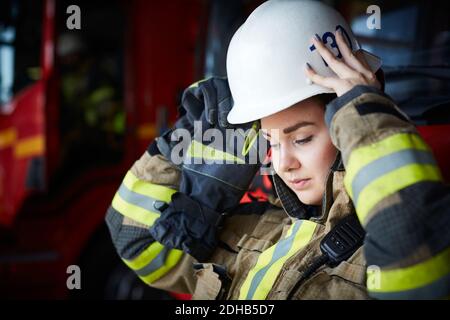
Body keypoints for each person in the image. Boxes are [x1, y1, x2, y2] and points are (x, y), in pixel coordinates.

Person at [105, 1, 449, 299]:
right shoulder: (260, 230)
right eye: (270, 142)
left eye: (301, 139)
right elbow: (136, 241)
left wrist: (366, 115)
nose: (282, 164)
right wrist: (194, 138)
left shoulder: (380, 252)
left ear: (348, 126)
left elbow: (416, 268)